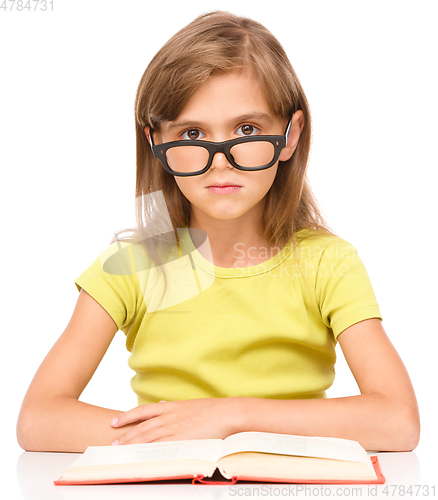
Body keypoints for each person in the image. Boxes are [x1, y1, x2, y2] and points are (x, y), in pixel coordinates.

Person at [17, 11, 420, 454]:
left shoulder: (327, 263)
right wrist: (177, 437)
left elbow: (397, 422)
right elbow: (38, 420)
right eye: (193, 133)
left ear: (290, 135)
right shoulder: (132, 266)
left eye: (246, 129)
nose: (220, 159)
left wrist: (231, 416)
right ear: (157, 142)